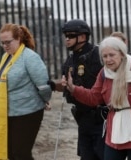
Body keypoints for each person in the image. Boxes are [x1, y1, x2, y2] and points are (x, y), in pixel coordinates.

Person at [62, 37, 131, 160]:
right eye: (105, 56)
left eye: (112, 55)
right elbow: (94, 97)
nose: (108, 59)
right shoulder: (104, 73)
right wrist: (73, 88)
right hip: (115, 128)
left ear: (121, 54)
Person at [0, 23, 52, 160]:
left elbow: (43, 85)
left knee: (21, 154)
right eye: (2, 43)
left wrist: (45, 99)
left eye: (8, 42)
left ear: (18, 38)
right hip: (9, 113)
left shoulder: (30, 57)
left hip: (28, 113)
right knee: (11, 153)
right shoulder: (5, 57)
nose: (5, 46)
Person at [47, 19, 105, 160]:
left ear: (83, 37)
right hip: (82, 118)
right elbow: (69, 86)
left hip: (100, 118)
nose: (67, 39)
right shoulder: (71, 60)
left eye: (71, 36)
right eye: (66, 36)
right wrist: (55, 86)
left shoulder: (97, 55)